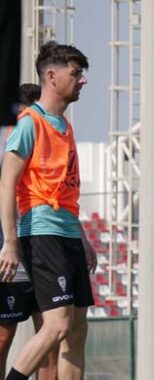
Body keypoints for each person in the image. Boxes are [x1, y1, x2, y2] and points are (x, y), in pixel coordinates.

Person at [0, 41, 96, 380]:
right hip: (41, 233)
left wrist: (82, 237)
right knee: (57, 326)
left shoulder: (65, 127)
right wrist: (10, 243)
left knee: (77, 332)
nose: (82, 80)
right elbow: (6, 182)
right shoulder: (29, 123)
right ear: (51, 76)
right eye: (76, 73)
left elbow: (66, 191)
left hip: (68, 233)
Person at [0, 83, 58, 379]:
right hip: (11, 250)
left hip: (44, 246)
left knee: (49, 342)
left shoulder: (52, 142)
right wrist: (9, 242)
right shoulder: (13, 140)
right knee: (2, 337)